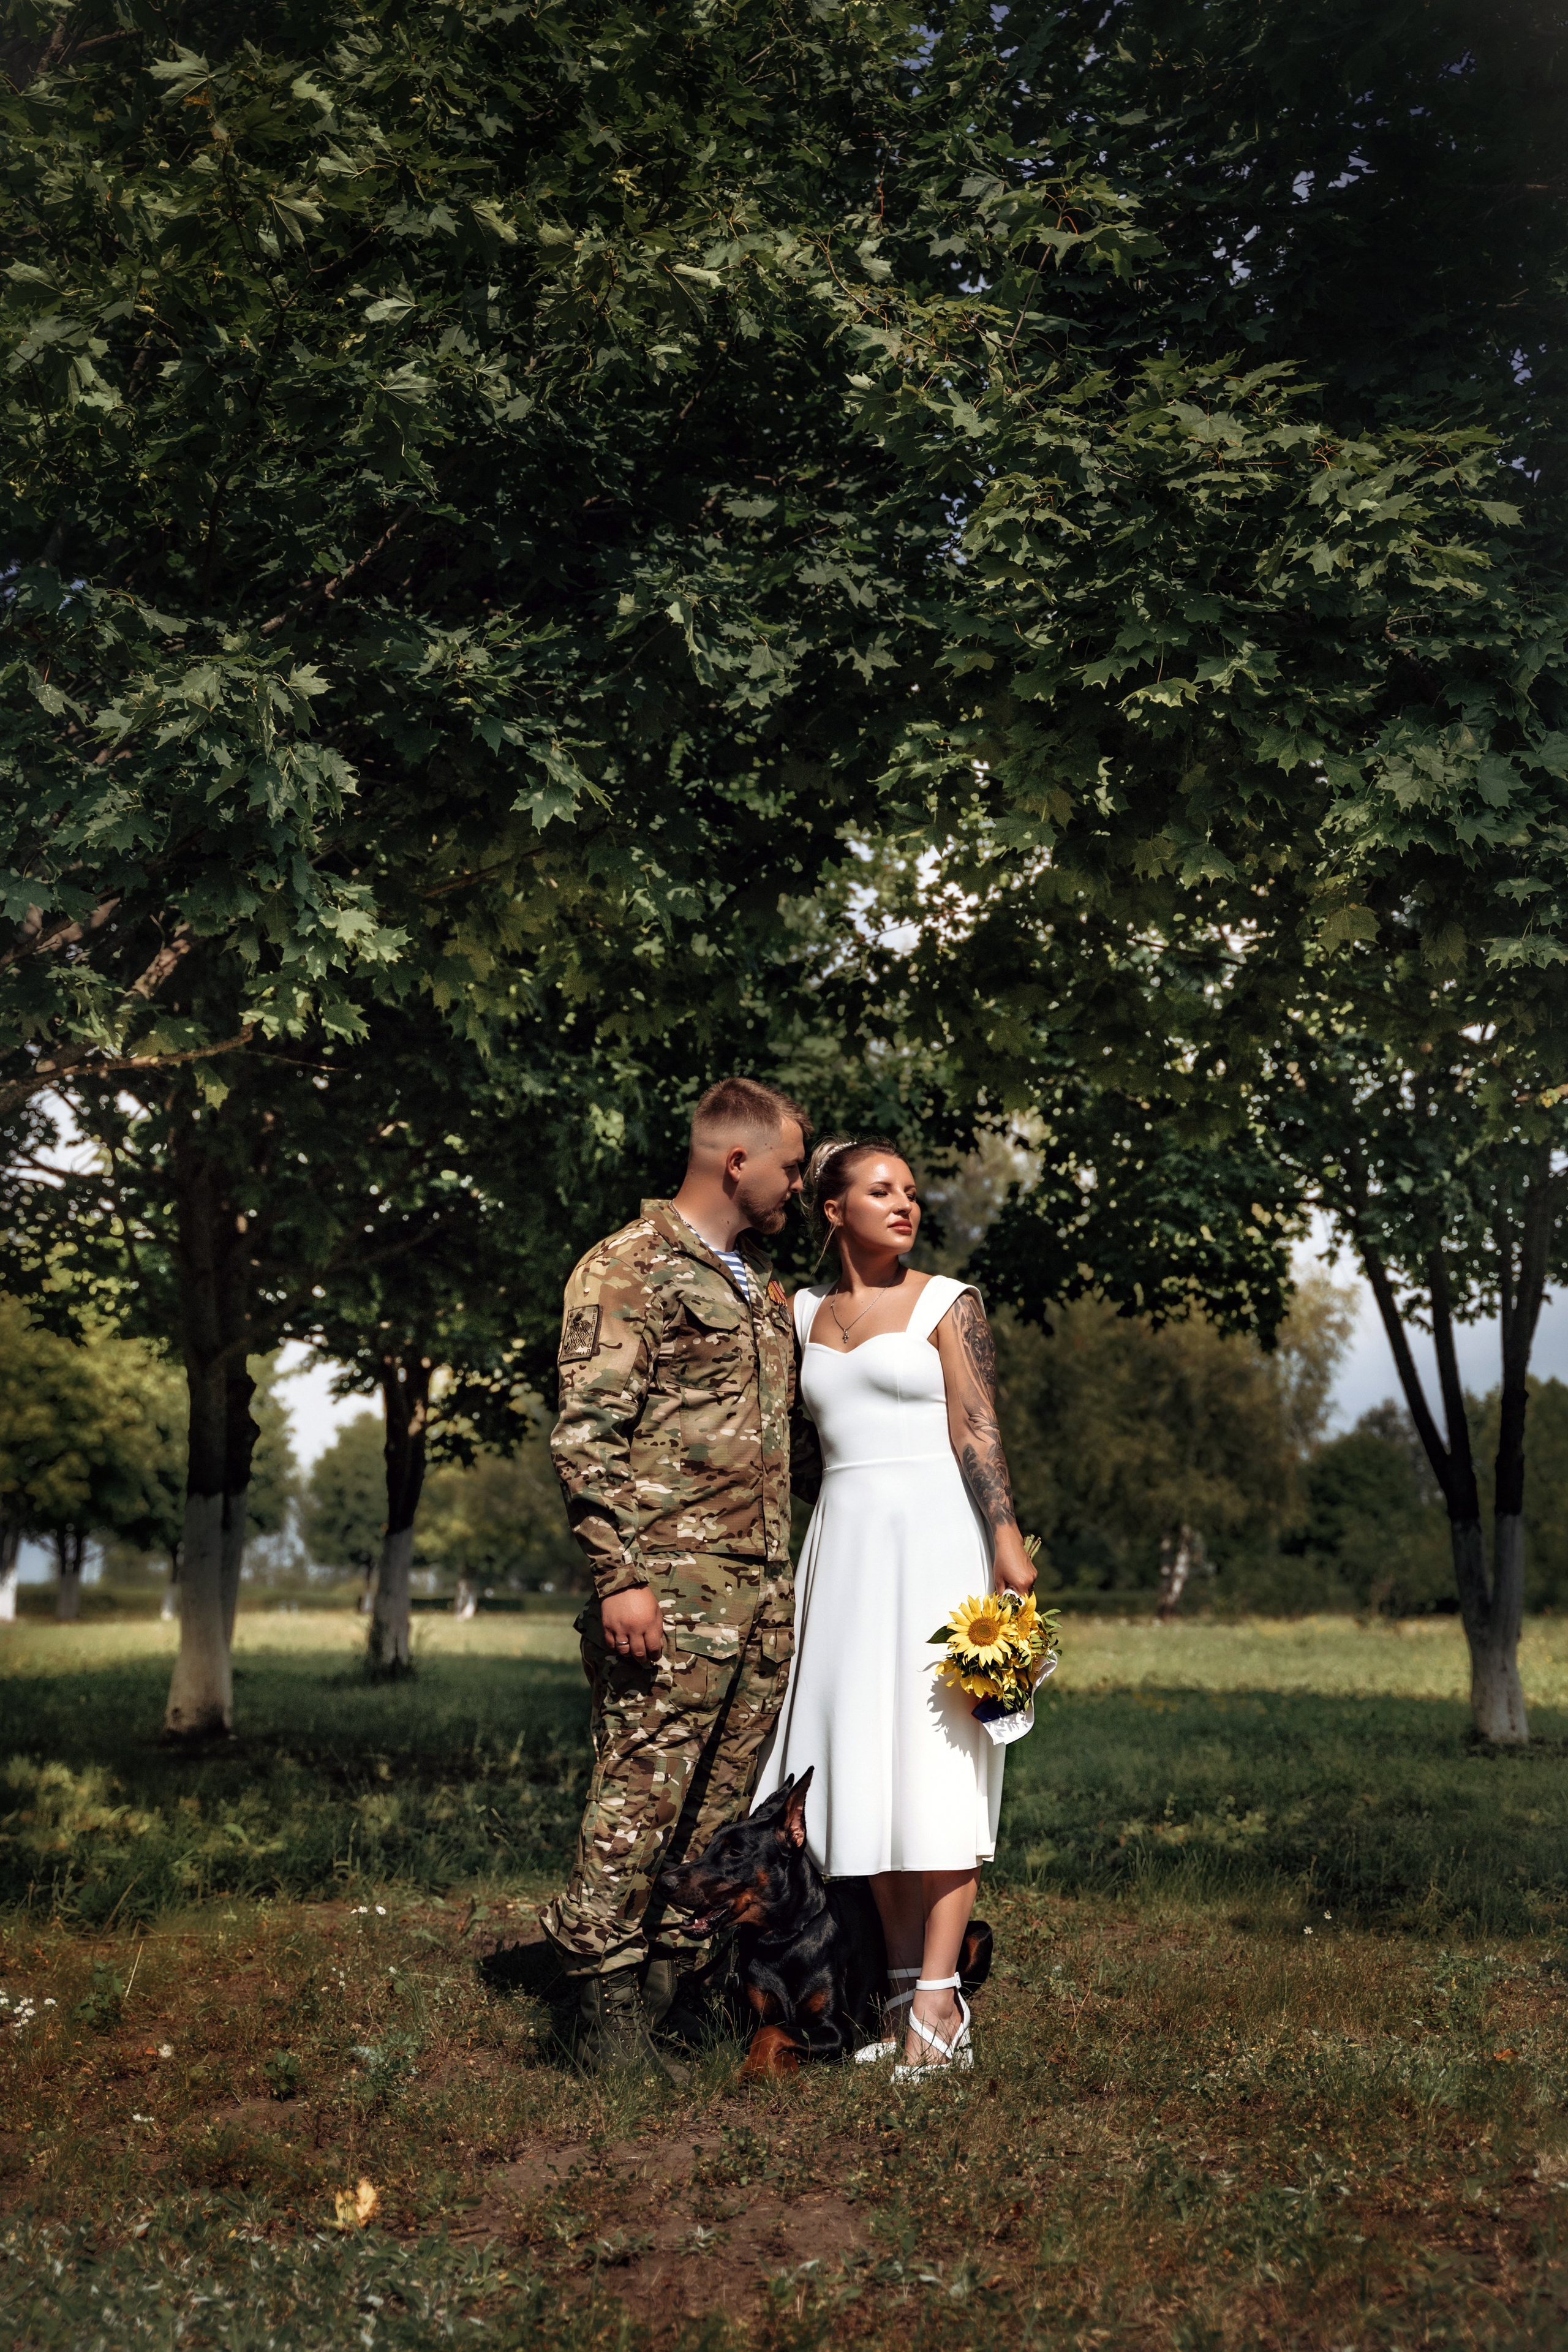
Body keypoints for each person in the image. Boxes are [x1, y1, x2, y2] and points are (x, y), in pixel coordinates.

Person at [542, 1075, 811, 2072]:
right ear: (738, 1161)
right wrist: (618, 1576)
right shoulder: (629, 1267)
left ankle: (664, 1986)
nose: (798, 1185)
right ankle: (597, 2006)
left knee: (713, 1804)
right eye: (791, 1167)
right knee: (639, 1797)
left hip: (759, 1592)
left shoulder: (760, 1285)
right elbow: (587, 1434)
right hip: (669, 1588)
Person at [752, 1136, 1036, 2078]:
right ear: (833, 1209)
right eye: (882, 1191)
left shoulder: (948, 1302)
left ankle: (941, 2007)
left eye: (911, 1191)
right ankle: (904, 1991)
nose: (906, 1204)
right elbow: (787, 1443)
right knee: (864, 1775)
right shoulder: (796, 1314)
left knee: (938, 1771)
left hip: (937, 1548)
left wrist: (1005, 1540)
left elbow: (977, 1426)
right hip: (843, 1554)